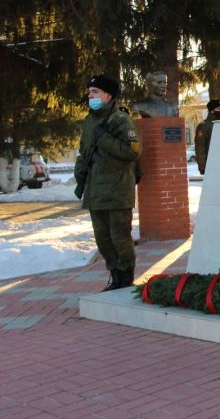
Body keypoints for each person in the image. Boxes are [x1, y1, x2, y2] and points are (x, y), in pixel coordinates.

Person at [75, 74, 142, 291]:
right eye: (89, 92)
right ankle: (114, 274)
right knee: (102, 239)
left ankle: (126, 277)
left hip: (117, 189)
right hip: (95, 191)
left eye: (95, 92)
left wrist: (104, 138)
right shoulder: (89, 121)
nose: (90, 96)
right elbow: (83, 151)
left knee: (120, 237)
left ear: (108, 95)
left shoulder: (121, 120)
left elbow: (132, 152)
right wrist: (80, 171)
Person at [195, 99, 220, 175]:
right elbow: (200, 148)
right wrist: (203, 167)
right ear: (211, 111)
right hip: (210, 165)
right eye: (218, 109)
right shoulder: (203, 126)